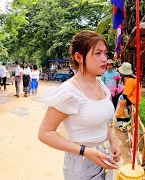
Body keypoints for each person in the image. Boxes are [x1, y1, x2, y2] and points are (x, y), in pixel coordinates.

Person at [38, 30, 121, 179]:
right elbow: (45, 133)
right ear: (79, 57)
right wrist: (85, 151)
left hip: (105, 157)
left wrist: (113, 142)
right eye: (97, 53)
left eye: (105, 53)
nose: (105, 59)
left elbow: (102, 120)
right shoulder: (69, 92)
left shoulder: (100, 85)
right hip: (82, 163)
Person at [116, 62, 141, 131]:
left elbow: (125, 94)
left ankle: (121, 124)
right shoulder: (134, 78)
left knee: (121, 107)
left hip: (131, 99)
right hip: (135, 99)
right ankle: (126, 123)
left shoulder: (129, 81)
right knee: (123, 108)